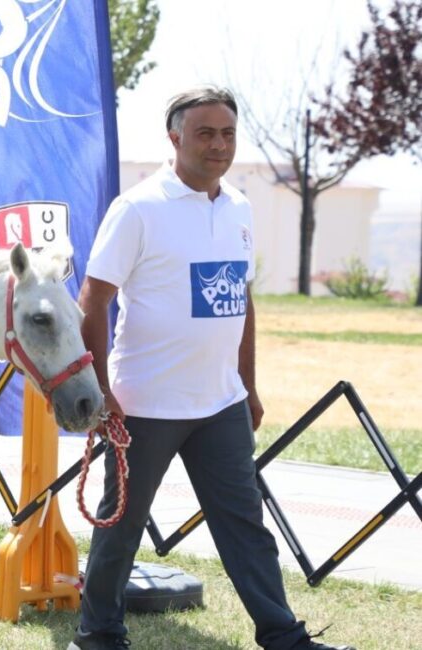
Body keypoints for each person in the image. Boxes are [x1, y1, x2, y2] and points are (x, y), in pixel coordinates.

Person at [69, 87, 354, 650]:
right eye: (205, 133)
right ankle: (98, 635)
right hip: (144, 405)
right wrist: (100, 390)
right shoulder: (137, 209)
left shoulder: (240, 208)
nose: (219, 145)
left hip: (221, 403)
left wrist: (247, 386)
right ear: (175, 137)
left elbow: (240, 301)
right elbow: (93, 302)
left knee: (245, 525)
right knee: (121, 526)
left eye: (227, 133)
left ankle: (284, 637)